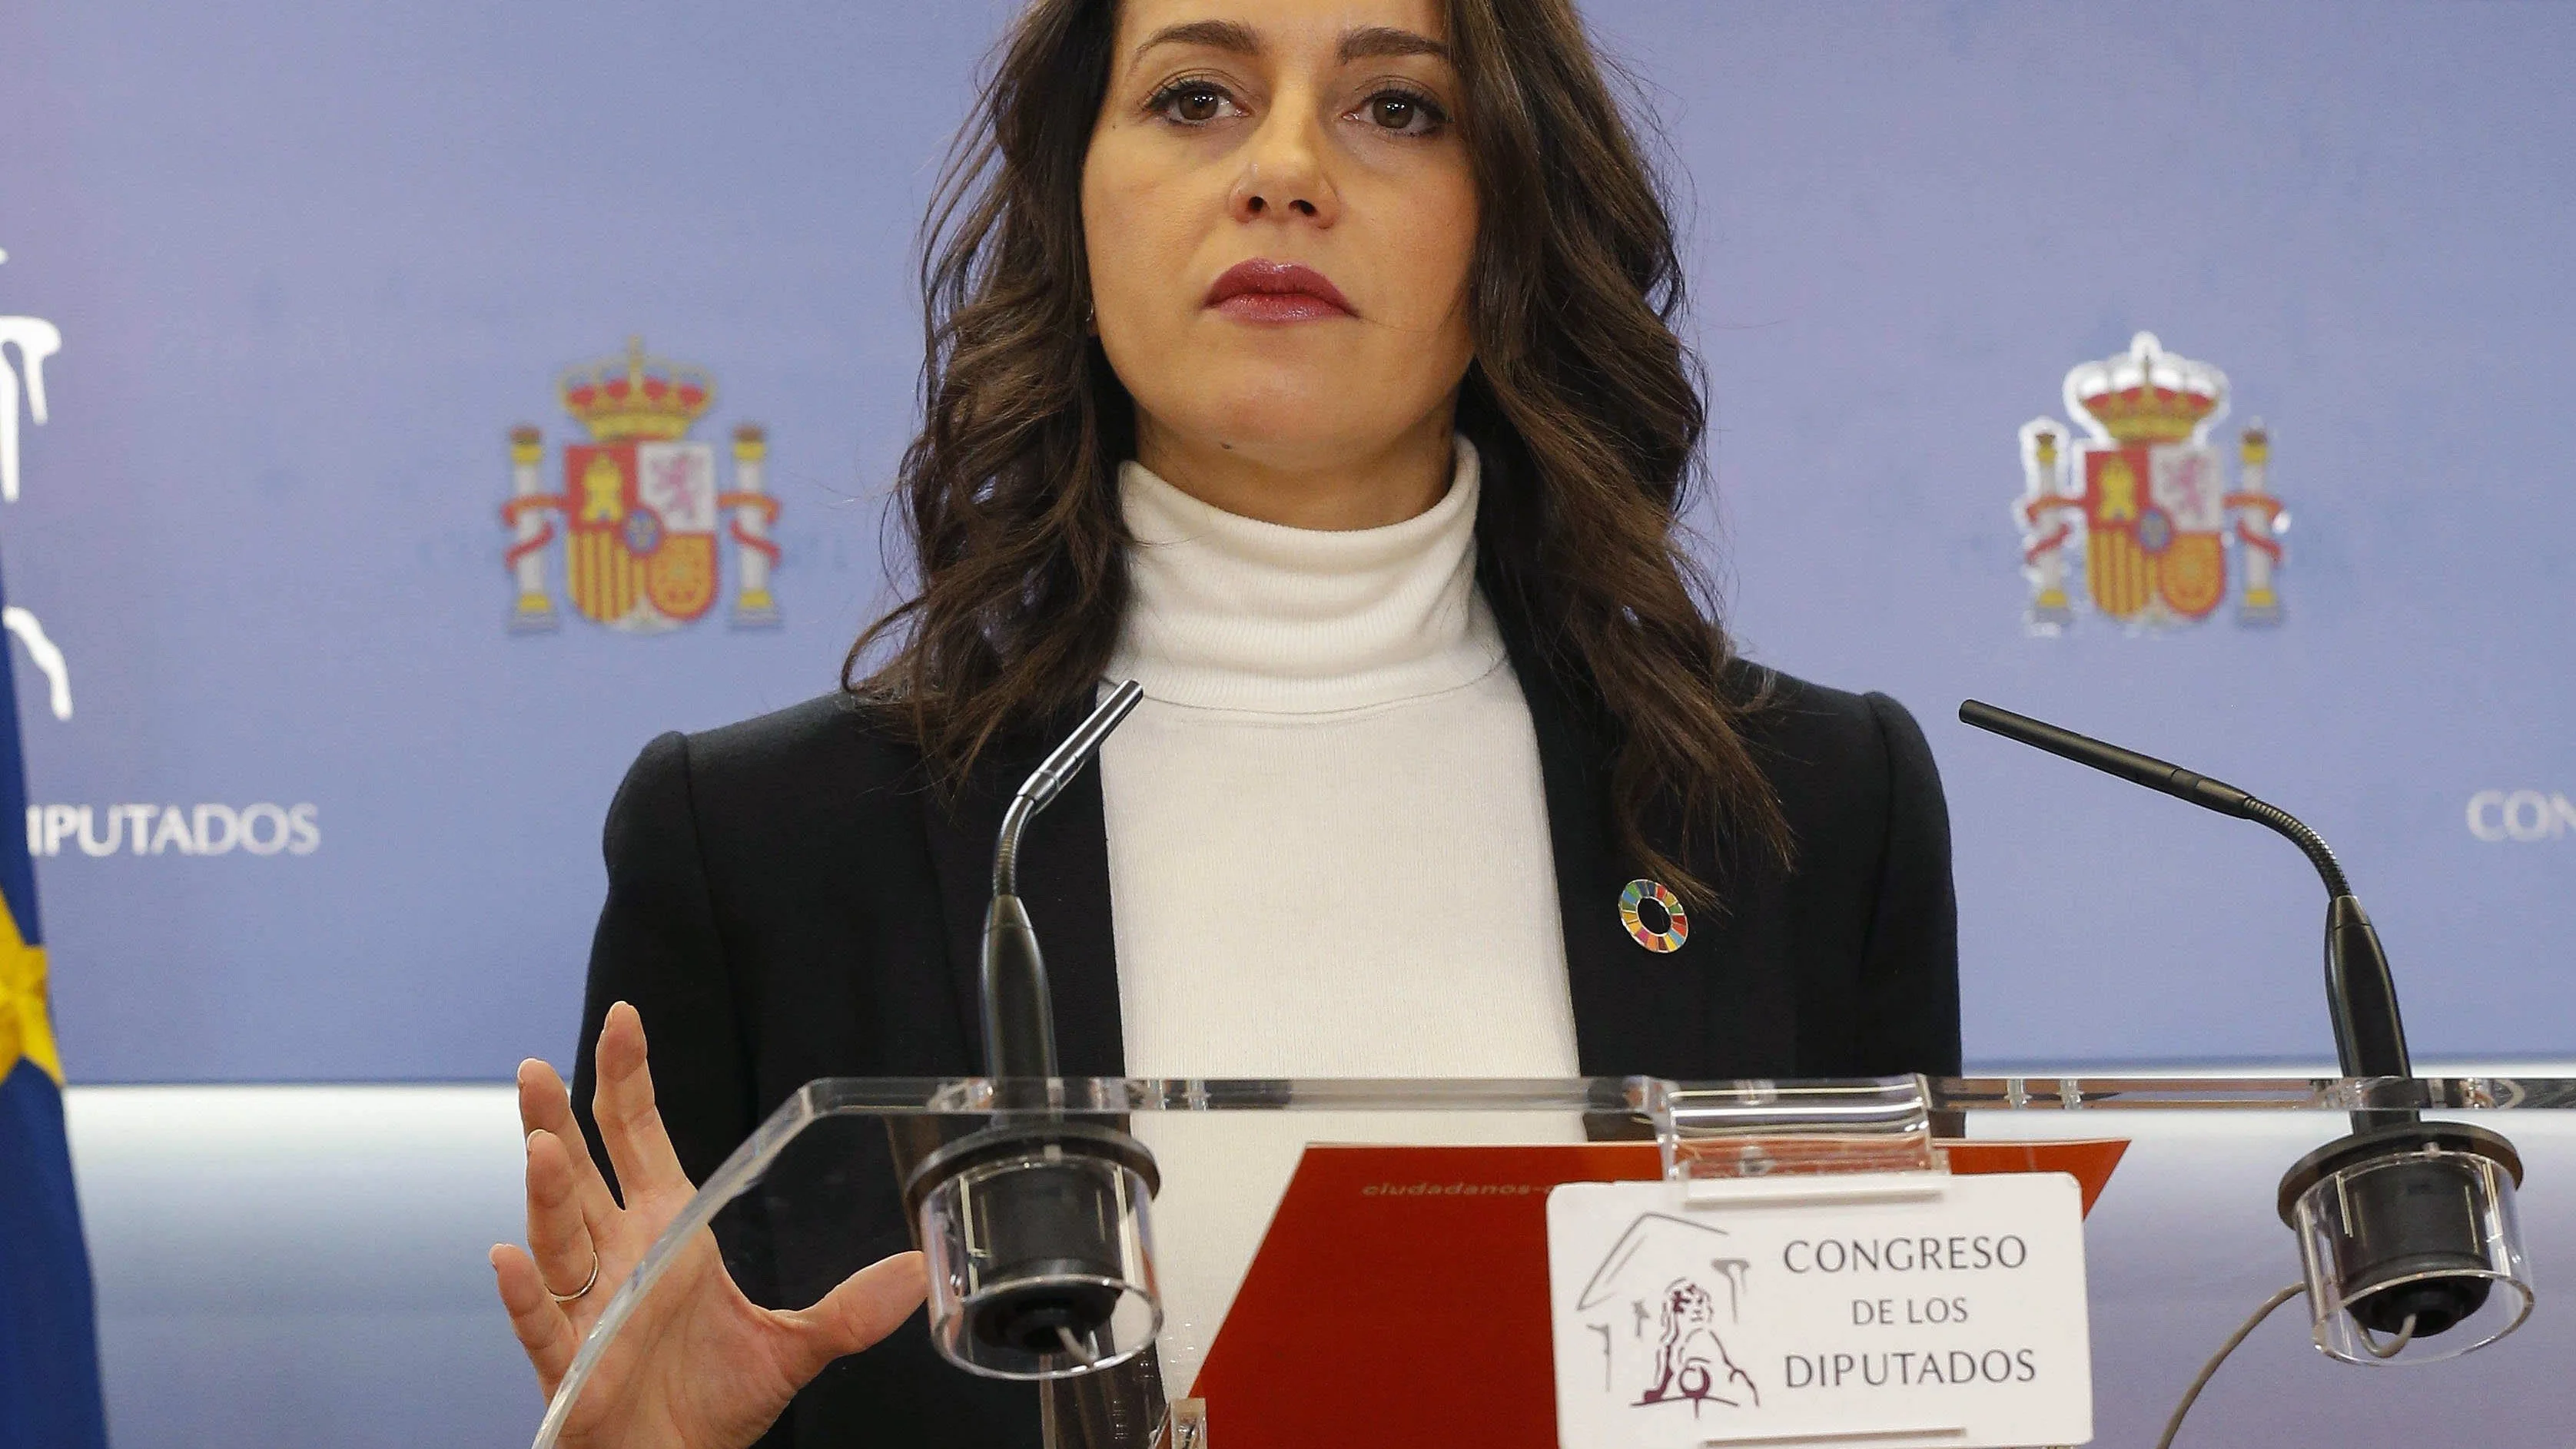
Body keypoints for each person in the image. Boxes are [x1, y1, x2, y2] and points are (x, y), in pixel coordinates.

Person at [492, 0, 1960, 1444]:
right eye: (1195, 97)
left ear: (1513, 211)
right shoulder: (767, 850)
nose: (1285, 168)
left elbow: (1911, 1402)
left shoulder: (1812, 815)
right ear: (1076, 201)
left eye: (1398, 106)